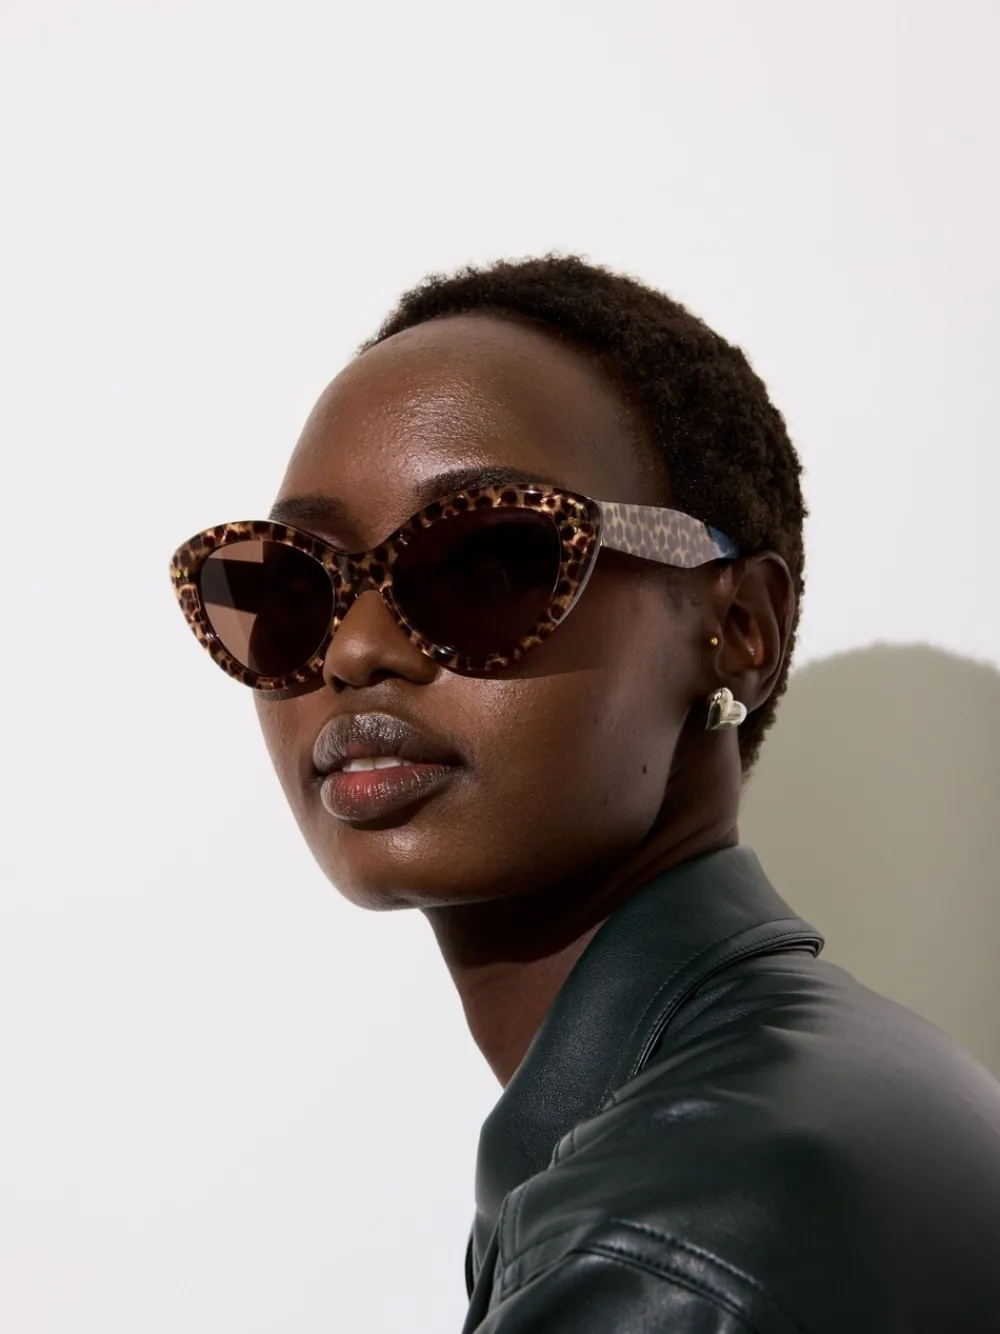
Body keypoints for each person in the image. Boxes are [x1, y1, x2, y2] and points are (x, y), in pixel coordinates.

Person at [169, 254, 1000, 1331]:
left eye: (486, 563)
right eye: (292, 585)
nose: (355, 647)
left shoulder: (673, 1232)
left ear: (737, 628)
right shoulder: (865, 1083)